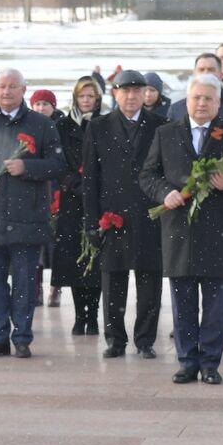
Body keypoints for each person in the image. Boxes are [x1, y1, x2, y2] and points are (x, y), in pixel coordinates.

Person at [140, 75, 223, 384]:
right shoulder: (166, 133)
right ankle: (187, 361)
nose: (202, 103)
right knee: (183, 302)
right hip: (179, 228)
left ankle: (210, 363)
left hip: (217, 230)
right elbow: (148, 174)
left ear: (219, 103)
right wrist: (164, 192)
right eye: (197, 98)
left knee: (216, 303)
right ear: (187, 101)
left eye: (208, 98)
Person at [0, 67, 66, 359]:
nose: (6, 92)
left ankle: (22, 336)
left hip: (27, 218)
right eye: (1, 87)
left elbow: (58, 165)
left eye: (12, 86)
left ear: (23, 90)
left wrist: (27, 168)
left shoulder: (41, 125)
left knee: (24, 283)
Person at [85, 71, 166, 359]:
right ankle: (115, 339)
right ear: (114, 94)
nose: (131, 96)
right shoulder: (98, 127)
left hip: (149, 214)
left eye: (136, 91)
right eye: (124, 91)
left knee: (150, 281)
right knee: (113, 280)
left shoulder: (160, 125)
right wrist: (91, 222)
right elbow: (91, 178)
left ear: (145, 93)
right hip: (113, 214)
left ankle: (145, 340)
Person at [52, 77, 105, 334]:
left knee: (95, 259)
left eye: (90, 96)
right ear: (75, 98)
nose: (86, 101)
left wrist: (94, 186)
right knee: (74, 259)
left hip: (99, 199)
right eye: (82, 96)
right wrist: (76, 184)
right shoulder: (63, 125)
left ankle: (93, 315)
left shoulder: (105, 123)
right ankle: (78, 315)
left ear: (97, 98)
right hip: (71, 199)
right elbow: (57, 160)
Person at [31, 88, 64, 307]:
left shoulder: (61, 125)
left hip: (58, 187)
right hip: (36, 187)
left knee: (57, 242)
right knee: (37, 243)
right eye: (38, 104)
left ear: (53, 106)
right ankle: (37, 288)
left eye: (46, 104)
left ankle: (56, 288)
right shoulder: (29, 124)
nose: (41, 108)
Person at [171, 53, 223, 124]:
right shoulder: (176, 109)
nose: (206, 73)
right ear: (194, 73)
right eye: (201, 70)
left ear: (220, 75)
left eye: (211, 69)